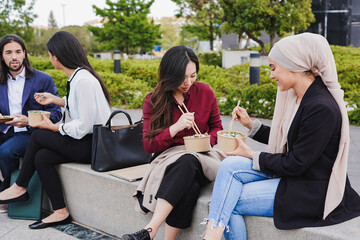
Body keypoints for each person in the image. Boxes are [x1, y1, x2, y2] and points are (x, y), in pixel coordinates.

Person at [203, 33, 360, 240]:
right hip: (295, 177)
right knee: (228, 167)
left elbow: (295, 163)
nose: (271, 75)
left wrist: (252, 154)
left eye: (273, 68)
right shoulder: (298, 96)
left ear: (293, 65)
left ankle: (210, 237)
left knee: (223, 201)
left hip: (311, 189)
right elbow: (290, 138)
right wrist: (250, 125)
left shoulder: (321, 107)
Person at [0, 31, 111, 229]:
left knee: (40, 135)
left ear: (57, 56)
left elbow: (84, 125)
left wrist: (54, 127)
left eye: (50, 54)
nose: (50, 58)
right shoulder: (78, 77)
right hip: (87, 141)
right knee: (42, 157)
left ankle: (19, 187)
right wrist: (57, 100)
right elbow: (79, 105)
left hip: (93, 146)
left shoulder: (83, 80)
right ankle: (60, 211)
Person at [122, 45, 226, 240]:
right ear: (169, 75)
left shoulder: (205, 92)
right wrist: (175, 128)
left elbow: (217, 127)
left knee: (189, 159)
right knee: (190, 187)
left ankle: (149, 231)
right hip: (169, 163)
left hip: (203, 158)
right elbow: (148, 145)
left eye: (193, 76)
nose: (188, 82)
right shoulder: (153, 100)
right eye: (182, 78)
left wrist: (205, 141)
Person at [0, 34, 62, 213]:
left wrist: (29, 120)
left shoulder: (42, 79)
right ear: (1, 56)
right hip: (4, 129)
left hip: (31, 133)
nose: (14, 57)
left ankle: (6, 191)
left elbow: (56, 114)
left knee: (5, 151)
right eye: (8, 52)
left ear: (25, 54)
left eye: (18, 52)